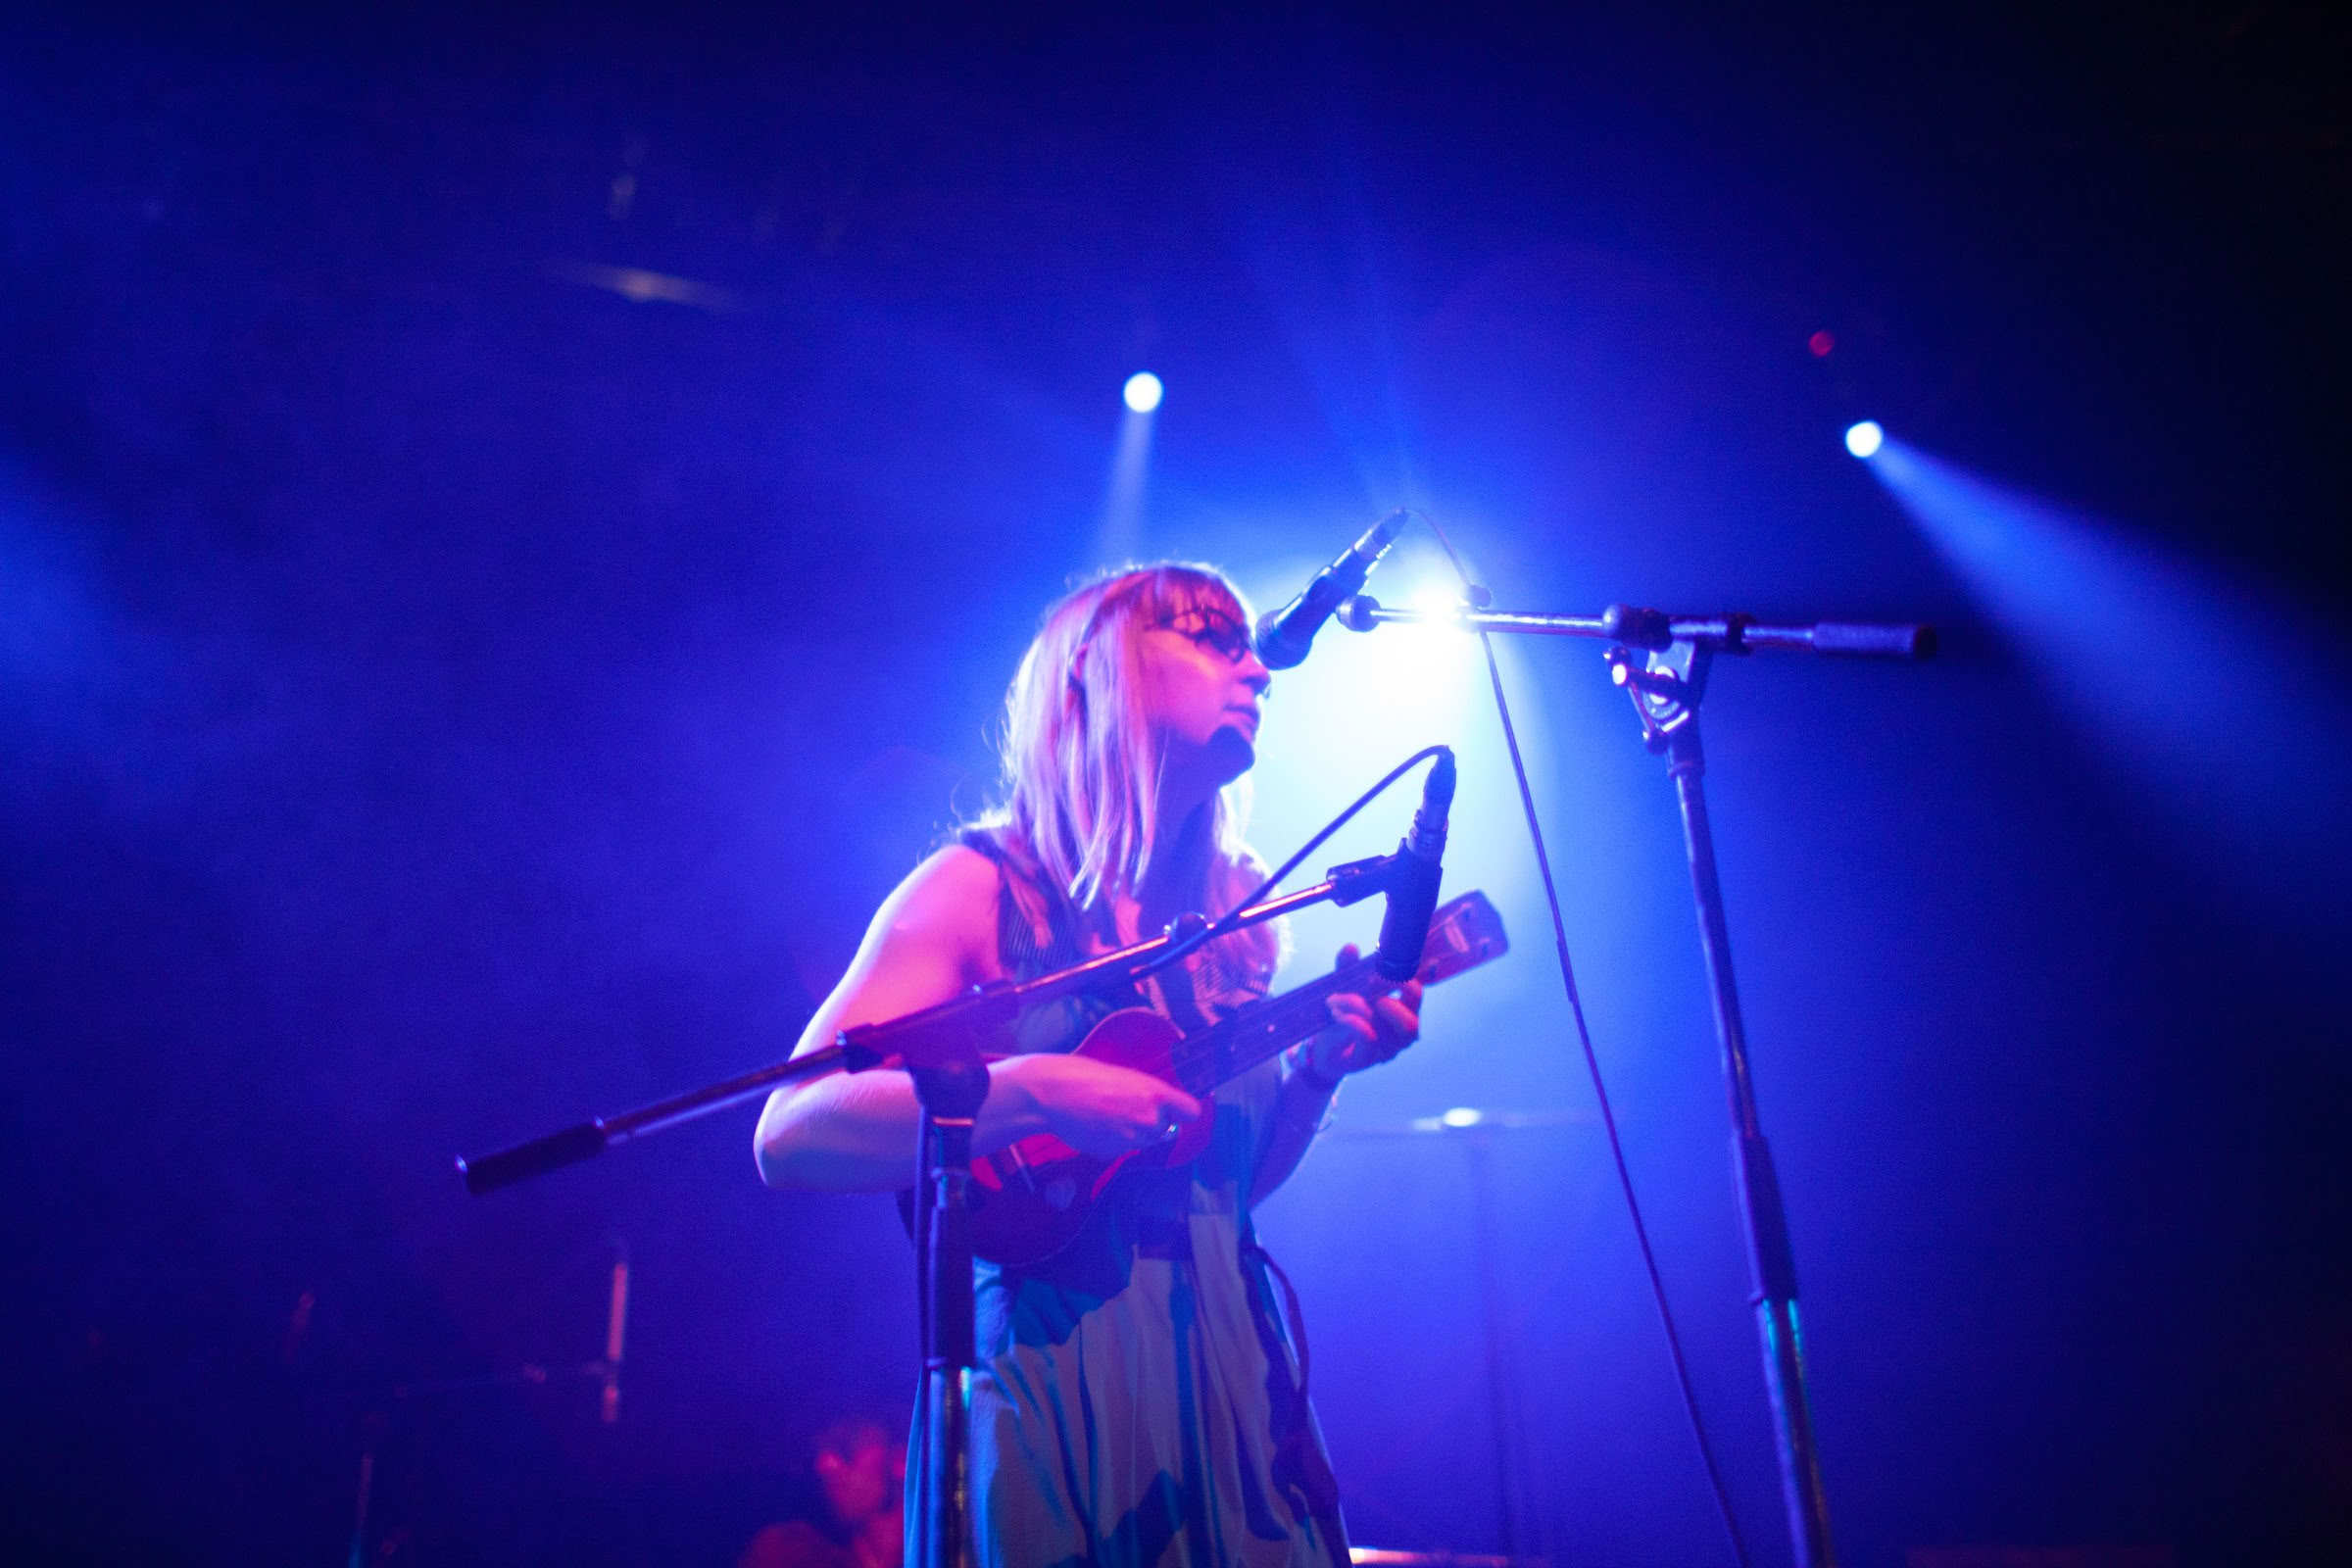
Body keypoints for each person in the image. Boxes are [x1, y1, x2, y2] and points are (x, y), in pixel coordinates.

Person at [755, 564, 1424, 1568]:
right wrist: (1029, 1092)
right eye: (1213, 636)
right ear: (1095, 673)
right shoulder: (980, 888)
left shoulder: (1241, 921)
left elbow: (1223, 1192)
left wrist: (1318, 1076)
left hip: (1234, 1378)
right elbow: (790, 1132)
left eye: (1250, 645)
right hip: (1051, 1378)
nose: (1259, 669)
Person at [738, 1416, 908, 1568]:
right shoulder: (785, 1553)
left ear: (901, 1457)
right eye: (818, 1449)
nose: (825, 1464)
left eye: (847, 1443)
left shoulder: (932, 1552)